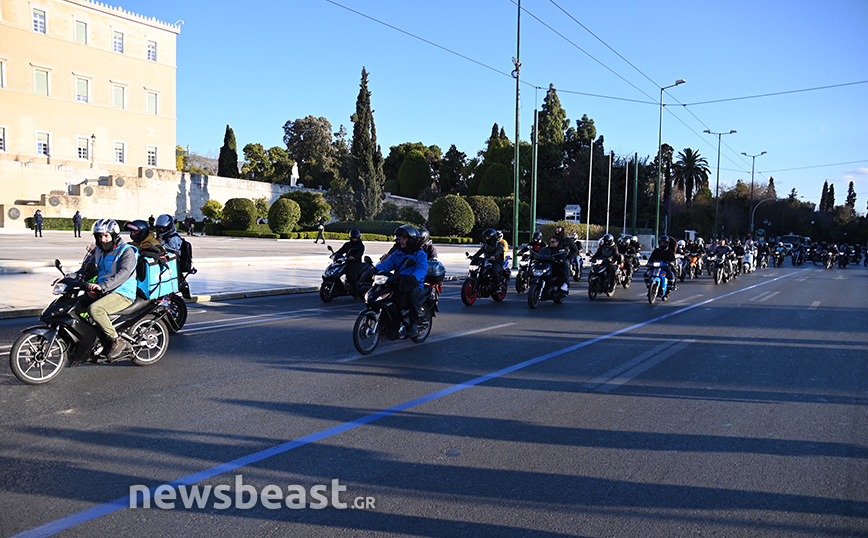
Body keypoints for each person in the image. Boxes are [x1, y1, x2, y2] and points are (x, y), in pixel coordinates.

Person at [75, 219, 139, 360]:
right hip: (103, 290)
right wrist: (68, 278)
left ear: (114, 236)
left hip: (122, 292)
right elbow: (85, 269)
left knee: (95, 309)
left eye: (106, 236)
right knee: (76, 306)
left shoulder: (126, 251)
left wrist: (102, 286)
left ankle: (116, 340)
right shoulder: (99, 251)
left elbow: (123, 274)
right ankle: (92, 337)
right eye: (99, 236)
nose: (102, 239)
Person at [375, 225, 428, 336]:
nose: (401, 241)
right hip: (399, 281)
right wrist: (373, 270)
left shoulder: (420, 255)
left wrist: (413, 278)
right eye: (400, 238)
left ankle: (413, 323)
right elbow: (386, 264)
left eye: (404, 238)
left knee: (412, 294)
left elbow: (422, 269)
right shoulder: (398, 253)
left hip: (413, 283)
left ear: (411, 240)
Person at [332, 229, 366, 297]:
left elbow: (359, 254)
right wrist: (334, 254)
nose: (354, 239)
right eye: (353, 238)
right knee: (337, 273)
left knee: (352, 276)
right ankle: (339, 290)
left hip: (356, 263)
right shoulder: (347, 244)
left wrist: (353, 257)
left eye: (356, 238)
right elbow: (341, 251)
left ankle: (355, 292)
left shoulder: (360, 245)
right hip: (346, 262)